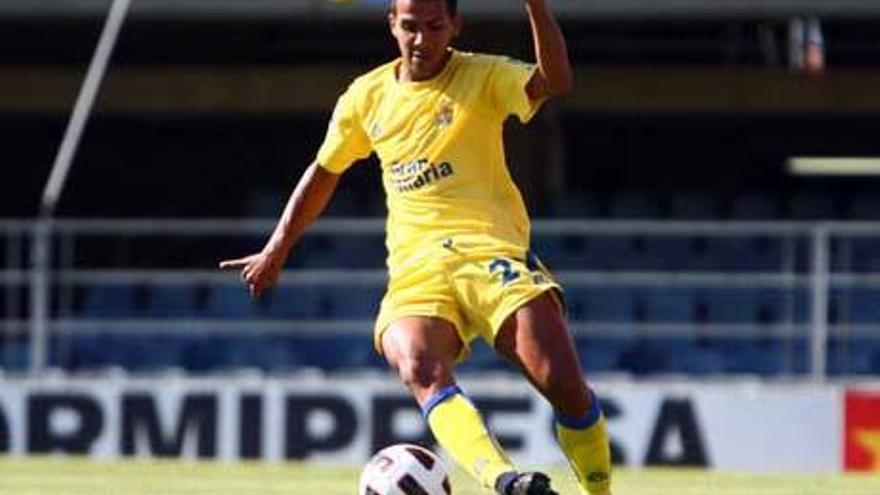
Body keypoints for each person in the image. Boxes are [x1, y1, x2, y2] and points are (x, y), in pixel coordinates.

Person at [219, 1, 612, 494]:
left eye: (433, 27)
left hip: (489, 254)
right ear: (392, 25)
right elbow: (324, 171)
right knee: (419, 366)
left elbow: (556, 81)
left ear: (454, 25)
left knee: (565, 388)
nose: (422, 39)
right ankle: (507, 482)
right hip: (417, 269)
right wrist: (278, 246)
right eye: (410, 27)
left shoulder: (482, 76)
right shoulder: (366, 96)